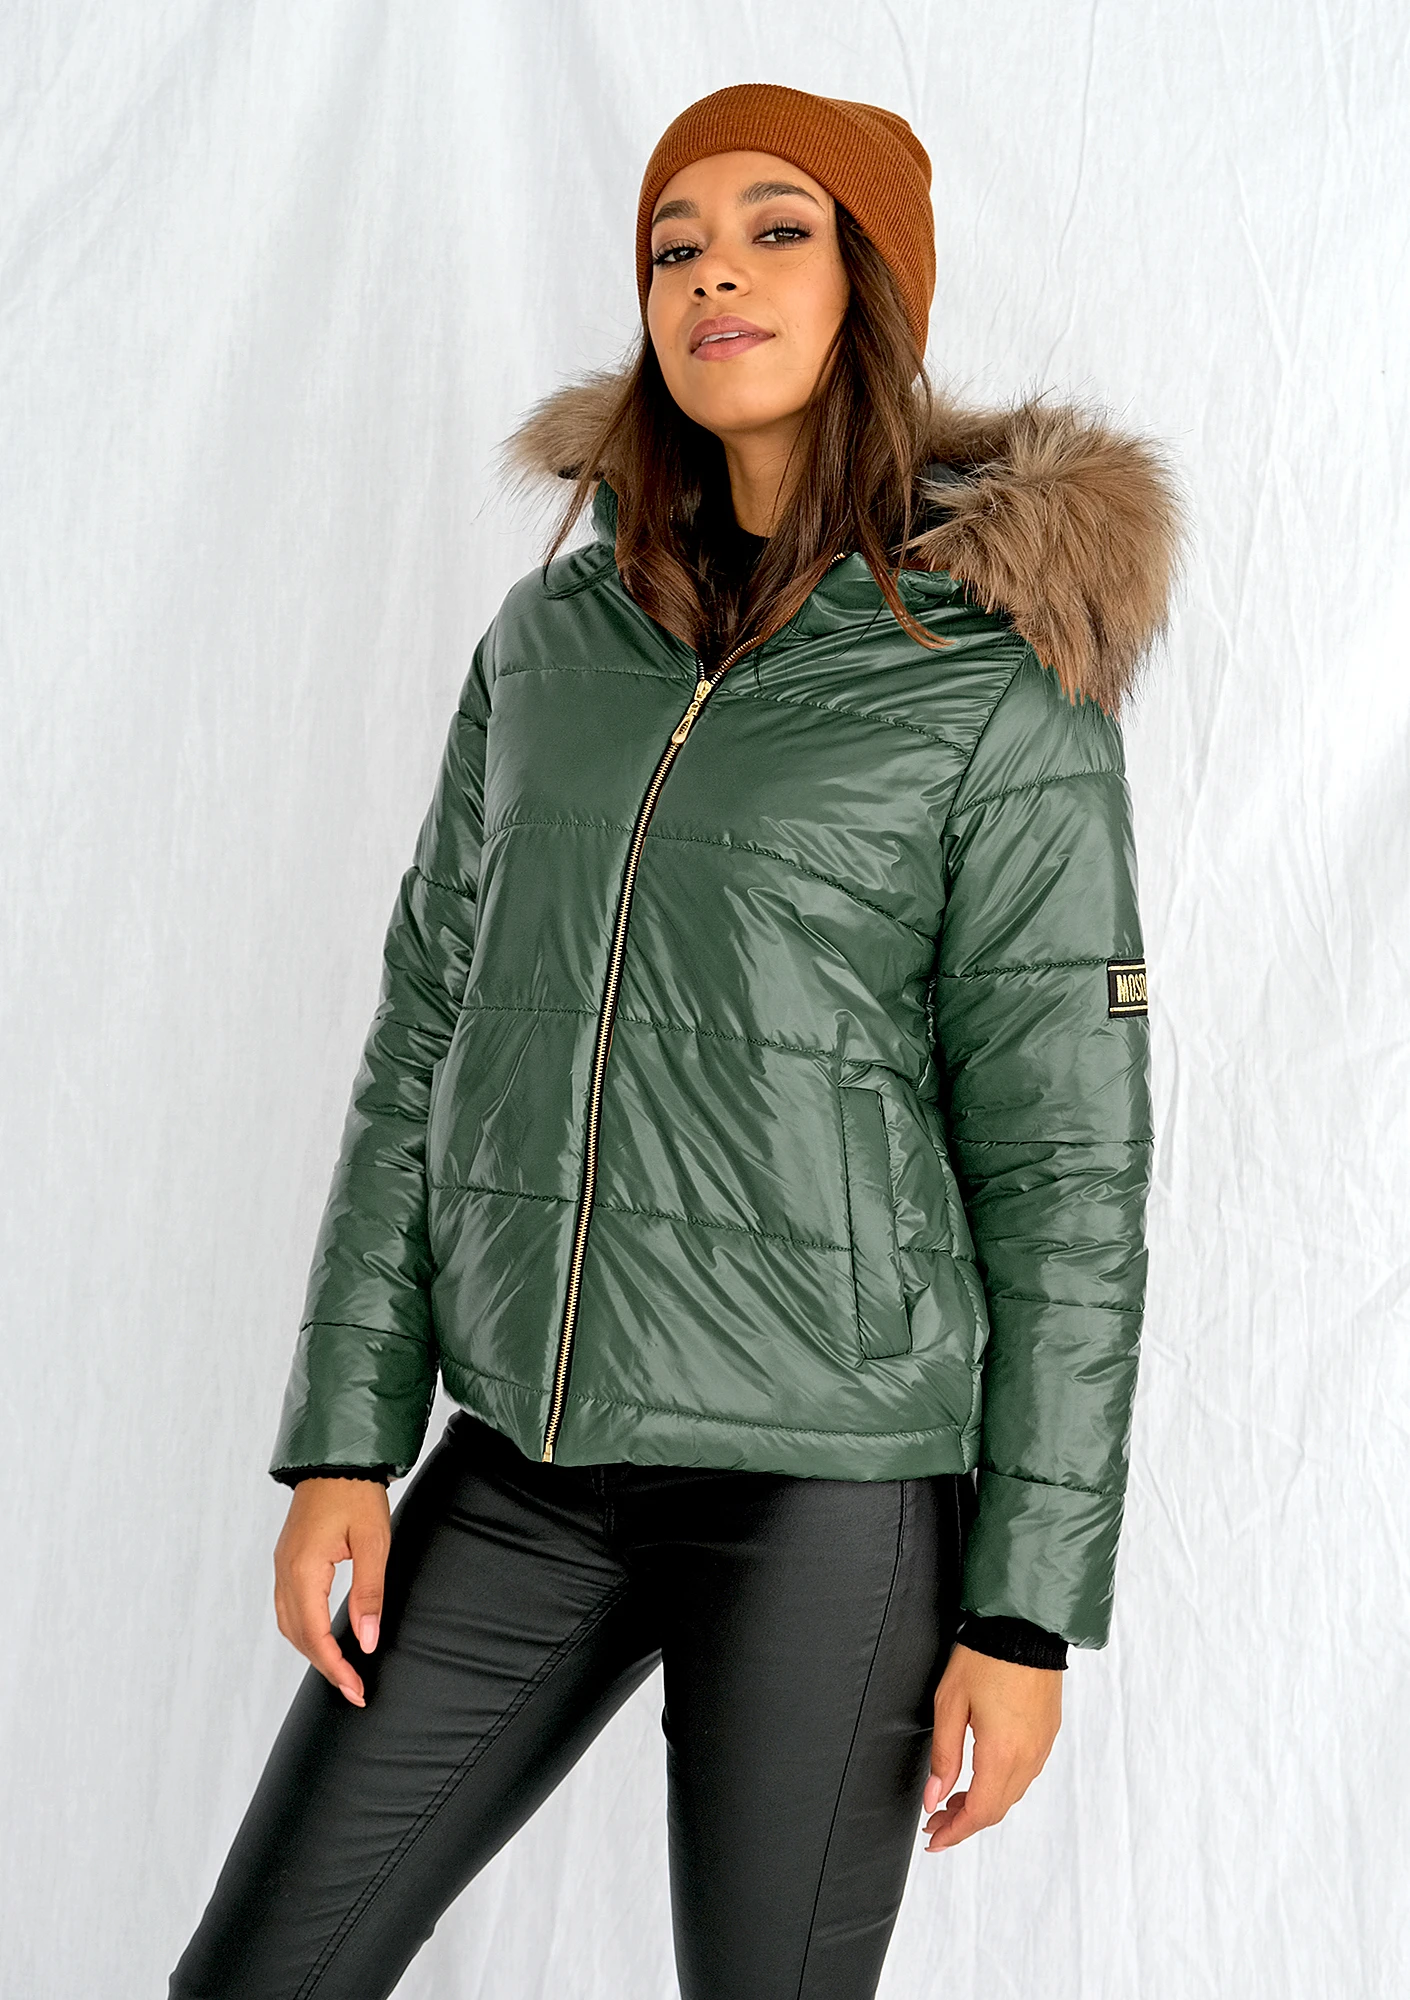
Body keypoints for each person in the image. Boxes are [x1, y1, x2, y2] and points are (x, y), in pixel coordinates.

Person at [169, 81, 1180, 2000]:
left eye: (776, 230)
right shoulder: (552, 646)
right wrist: (344, 1444)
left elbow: (1067, 1167)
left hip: (830, 1489)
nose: (715, 273)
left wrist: (1025, 1615)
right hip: (526, 1465)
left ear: (871, 288)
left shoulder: (992, 684)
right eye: (673, 244)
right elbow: (423, 1036)